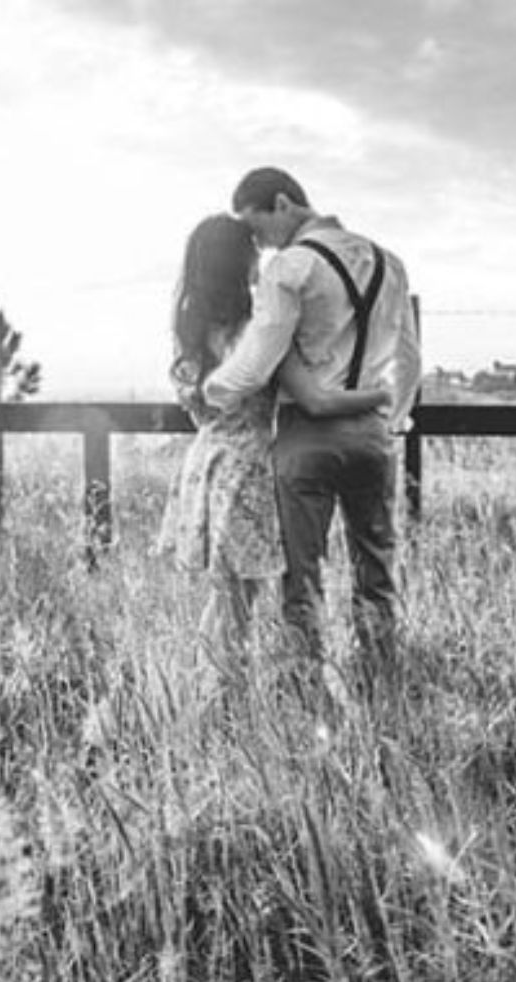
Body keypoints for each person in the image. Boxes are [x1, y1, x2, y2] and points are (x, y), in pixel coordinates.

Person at [202, 167, 421, 691]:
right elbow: (409, 359)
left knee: (303, 577)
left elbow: (257, 362)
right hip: (372, 435)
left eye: (257, 228)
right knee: (377, 568)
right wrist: (392, 419)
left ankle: (308, 690)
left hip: (306, 438)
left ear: (283, 204)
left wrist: (212, 392)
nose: (257, 243)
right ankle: (380, 682)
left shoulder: (290, 267)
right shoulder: (390, 262)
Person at [156, 214, 389, 691]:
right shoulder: (257, 333)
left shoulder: (192, 328)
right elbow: (317, 399)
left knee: (229, 600)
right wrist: (380, 395)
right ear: (239, 261)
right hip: (249, 469)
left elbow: (199, 405)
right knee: (236, 604)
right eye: (252, 254)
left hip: (209, 461)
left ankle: (214, 696)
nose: (260, 262)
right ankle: (217, 701)